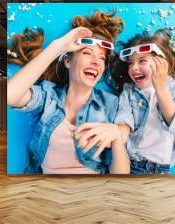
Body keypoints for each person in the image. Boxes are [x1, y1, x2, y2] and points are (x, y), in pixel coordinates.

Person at [7, 11, 130, 174]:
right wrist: (58, 47)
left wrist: (116, 136)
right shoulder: (48, 96)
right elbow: (9, 95)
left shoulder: (112, 104)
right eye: (87, 53)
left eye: (102, 58)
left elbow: (121, 176)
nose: (96, 61)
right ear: (67, 61)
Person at [113, 29, 175, 174]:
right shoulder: (129, 92)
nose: (134, 68)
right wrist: (114, 135)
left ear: (161, 63)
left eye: (142, 61)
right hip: (135, 164)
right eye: (130, 63)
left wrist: (160, 88)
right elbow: (124, 121)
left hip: (163, 167)